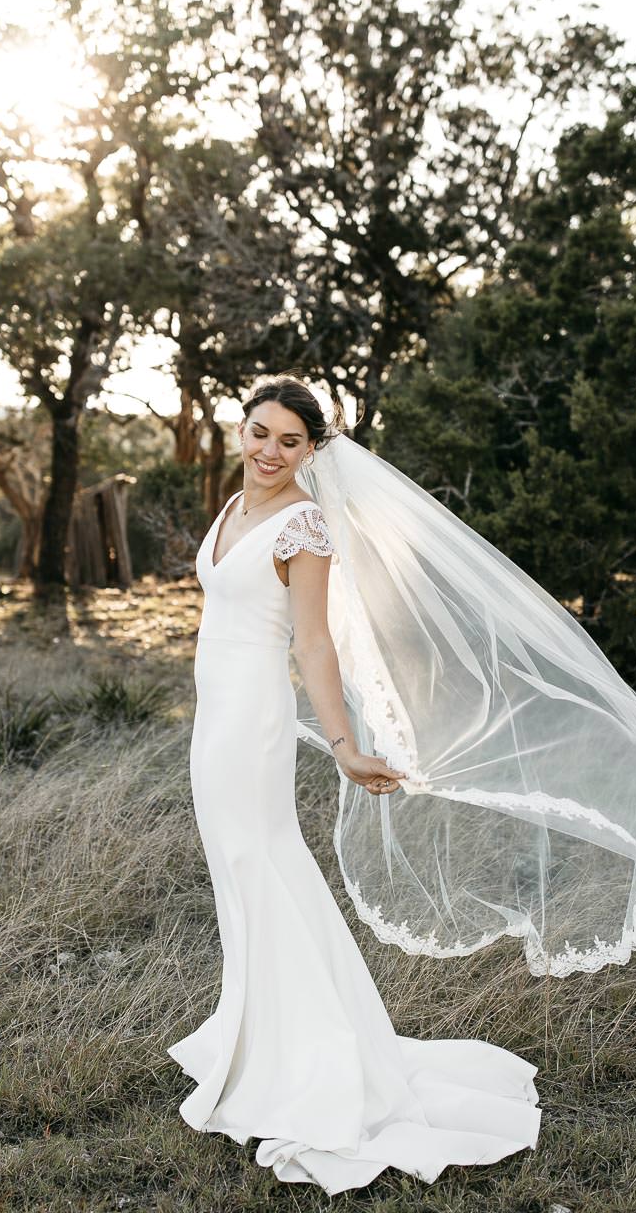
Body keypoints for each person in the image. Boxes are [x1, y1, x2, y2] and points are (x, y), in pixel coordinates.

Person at [167, 376, 541, 1194]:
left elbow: (314, 645)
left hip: (249, 725)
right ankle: (261, 1043)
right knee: (244, 877)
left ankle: (310, 1066)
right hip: (212, 721)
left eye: (289, 441)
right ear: (241, 431)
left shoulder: (304, 524)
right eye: (258, 433)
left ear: (312, 450)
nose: (268, 451)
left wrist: (343, 744)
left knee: (263, 870)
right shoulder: (233, 510)